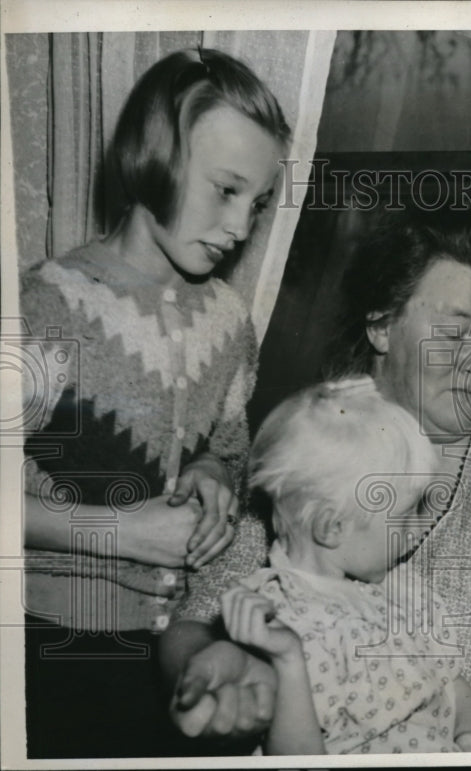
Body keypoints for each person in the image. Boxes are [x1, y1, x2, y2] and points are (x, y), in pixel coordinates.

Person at [163, 210, 471, 752]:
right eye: (454, 331)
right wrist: (218, 677)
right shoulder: (311, 449)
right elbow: (193, 628)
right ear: (381, 325)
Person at [18, 48, 288, 758]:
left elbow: (227, 444)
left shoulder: (231, 325)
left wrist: (213, 476)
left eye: (256, 204)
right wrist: (122, 532)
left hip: (180, 645)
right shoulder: (46, 306)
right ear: (156, 156)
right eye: (225, 190)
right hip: (46, 648)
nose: (239, 226)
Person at [221, 376, 471, 754]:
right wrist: (287, 661)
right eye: (404, 516)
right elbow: (294, 760)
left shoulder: (397, 589)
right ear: (332, 527)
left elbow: (449, 679)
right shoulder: (280, 625)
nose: (418, 529)